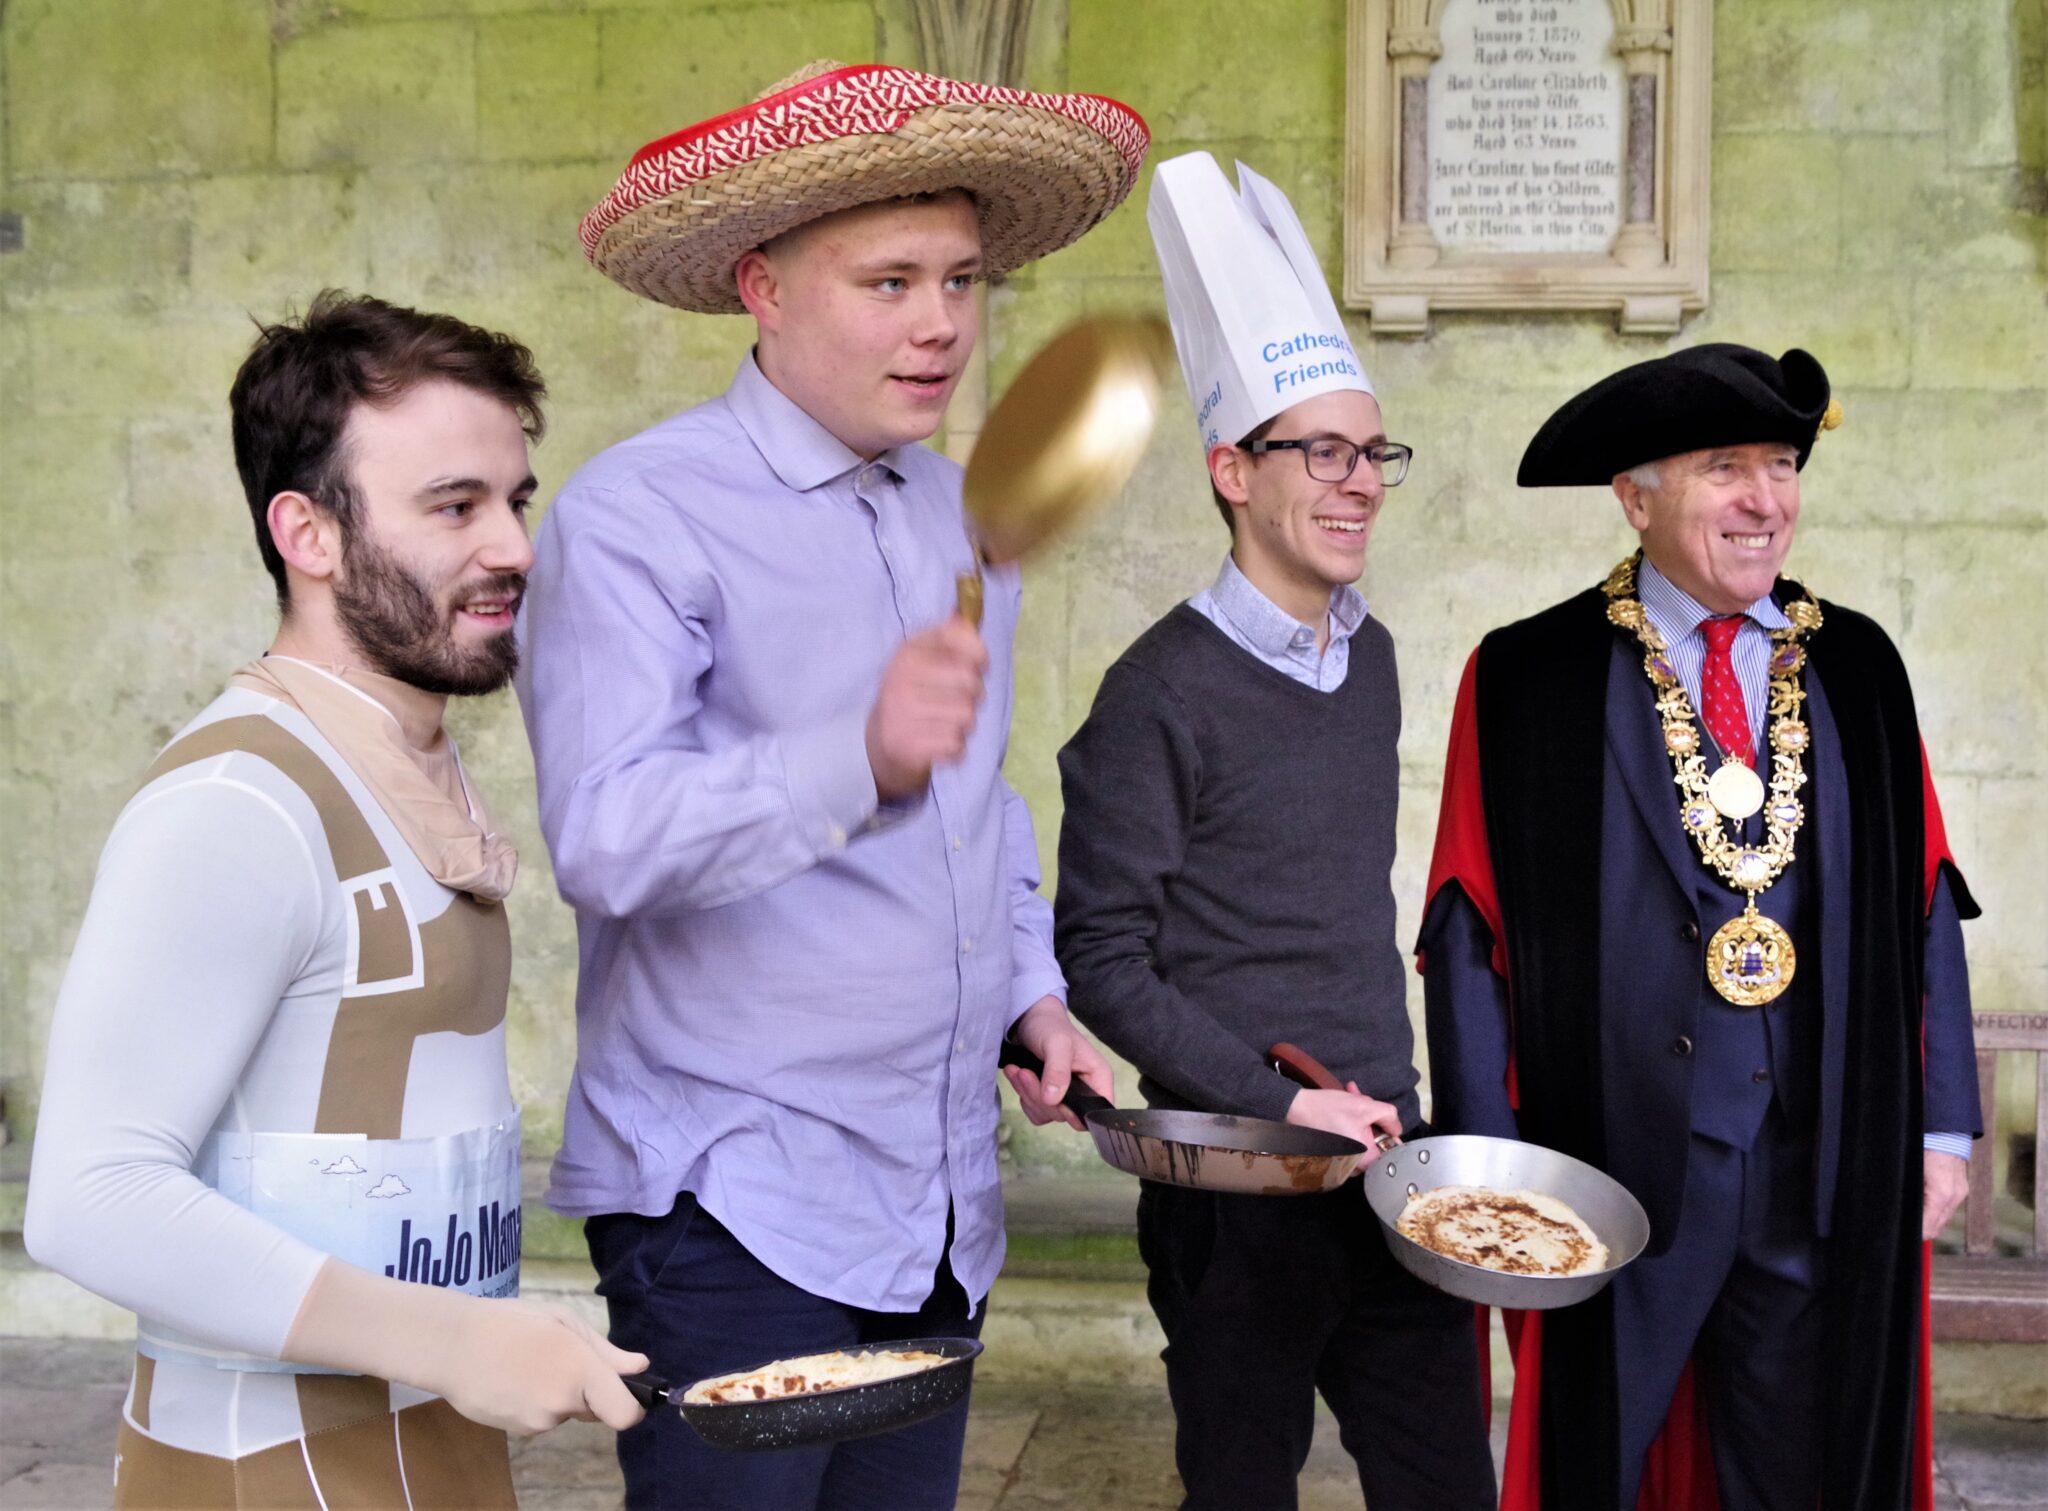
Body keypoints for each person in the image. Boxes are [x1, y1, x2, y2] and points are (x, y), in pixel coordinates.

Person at [516, 60, 1145, 1511]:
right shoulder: (636, 516)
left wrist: (1028, 993)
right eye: (890, 280)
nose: (939, 324)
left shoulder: (962, 514)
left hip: (934, 1203)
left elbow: (977, 815)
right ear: (766, 287)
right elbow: (606, 837)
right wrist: (851, 754)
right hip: (732, 1207)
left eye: (963, 279)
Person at [24, 292, 647, 1509]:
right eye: (453, 505)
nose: (515, 545)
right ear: (306, 533)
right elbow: (89, 1199)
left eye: (514, 501)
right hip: (266, 1472)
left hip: (436, 1450)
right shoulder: (237, 801)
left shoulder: (407, 755)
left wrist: (483, 1336)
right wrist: (459, 1339)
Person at [1418, 344, 1981, 1511]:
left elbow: (1923, 892)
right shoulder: (1531, 673)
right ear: (1634, 496)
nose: (1764, 500)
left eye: (1781, 464)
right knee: (1598, 1458)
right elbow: (1467, 925)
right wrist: (1487, 1168)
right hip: (1610, 1160)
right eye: (1723, 466)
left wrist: (1942, 1128)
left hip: (1821, 1155)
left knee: (1800, 1462)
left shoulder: (1858, 665)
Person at [1052, 151, 1497, 1511]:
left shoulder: (1377, 661)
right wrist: (1275, 1095)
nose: (1360, 481)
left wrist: (1380, 1101)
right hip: (1238, 1180)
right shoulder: (1157, 692)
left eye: (1375, 451)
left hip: (1386, 1156)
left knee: (1444, 1484)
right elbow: (1101, 955)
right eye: (1324, 450)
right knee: (1242, 1487)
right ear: (1231, 469)